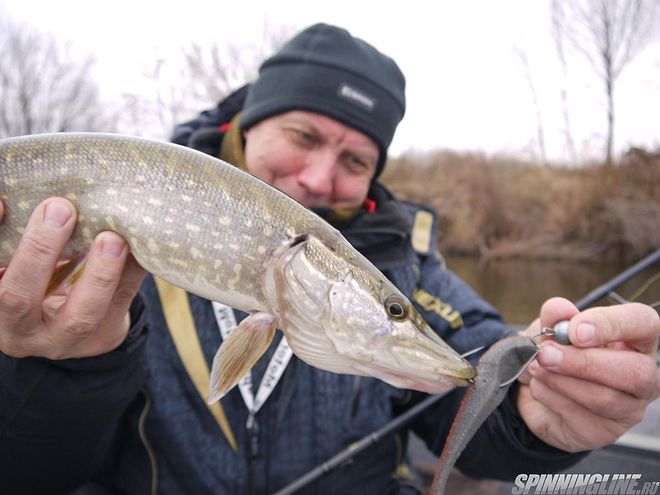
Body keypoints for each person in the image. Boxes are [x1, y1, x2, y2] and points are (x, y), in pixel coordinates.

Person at [0, 23, 658, 495]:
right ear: (247, 124)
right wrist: (58, 368)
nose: (318, 177)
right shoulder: (101, 240)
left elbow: (476, 365)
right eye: (303, 135)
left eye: (354, 160)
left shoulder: (408, 269)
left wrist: (535, 416)